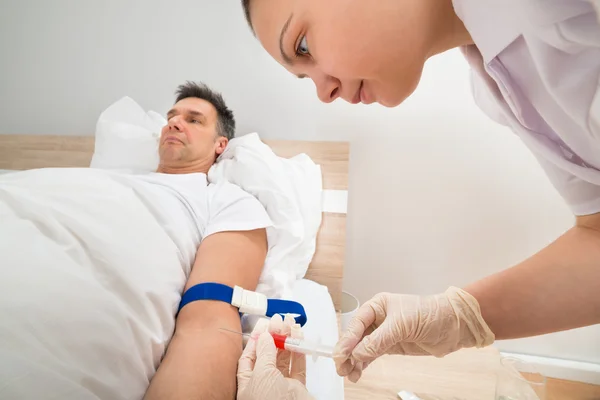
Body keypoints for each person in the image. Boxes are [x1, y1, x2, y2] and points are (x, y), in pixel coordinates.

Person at [236, 0, 600, 395]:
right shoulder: (497, 82)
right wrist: (457, 316)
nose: (324, 93)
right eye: (304, 77)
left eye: (303, 45)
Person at [0, 81, 272, 400]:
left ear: (220, 145)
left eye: (193, 119)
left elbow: (211, 318)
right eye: (172, 116)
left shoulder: (226, 201)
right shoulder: (103, 179)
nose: (173, 122)